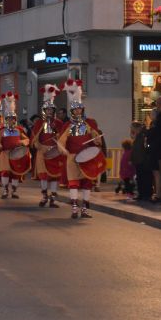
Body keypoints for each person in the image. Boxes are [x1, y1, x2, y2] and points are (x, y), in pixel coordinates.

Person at [58, 78, 104, 219]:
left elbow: (97, 139)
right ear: (72, 111)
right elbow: (61, 141)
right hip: (72, 158)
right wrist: (62, 148)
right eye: (75, 109)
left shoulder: (88, 124)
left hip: (87, 158)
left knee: (86, 183)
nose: (78, 111)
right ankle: (74, 208)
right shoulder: (68, 127)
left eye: (80, 109)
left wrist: (97, 140)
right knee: (73, 183)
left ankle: (84, 209)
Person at [0, 92, 31, 199]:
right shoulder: (2, 131)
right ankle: (5, 190)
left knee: (15, 173)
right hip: (5, 154)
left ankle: (14, 191)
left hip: (17, 154)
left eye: (13, 119)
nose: (11, 121)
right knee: (5, 172)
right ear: (6, 120)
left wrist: (23, 142)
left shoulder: (19, 130)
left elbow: (27, 139)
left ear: (15, 120)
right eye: (9, 119)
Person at [32, 84, 64, 208]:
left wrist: (58, 139)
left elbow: (63, 138)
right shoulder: (39, 123)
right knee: (44, 176)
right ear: (44, 111)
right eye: (48, 110)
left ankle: (53, 199)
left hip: (55, 153)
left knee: (55, 177)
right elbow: (34, 139)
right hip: (42, 153)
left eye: (51, 110)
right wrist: (39, 146)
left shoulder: (59, 123)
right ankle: (44, 196)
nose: (50, 112)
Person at [130, 121, 152, 201]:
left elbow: (141, 149)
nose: (131, 130)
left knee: (144, 177)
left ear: (136, 128)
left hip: (143, 160)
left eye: (132, 128)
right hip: (139, 160)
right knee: (140, 178)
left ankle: (145, 194)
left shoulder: (142, 136)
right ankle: (142, 194)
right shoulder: (139, 136)